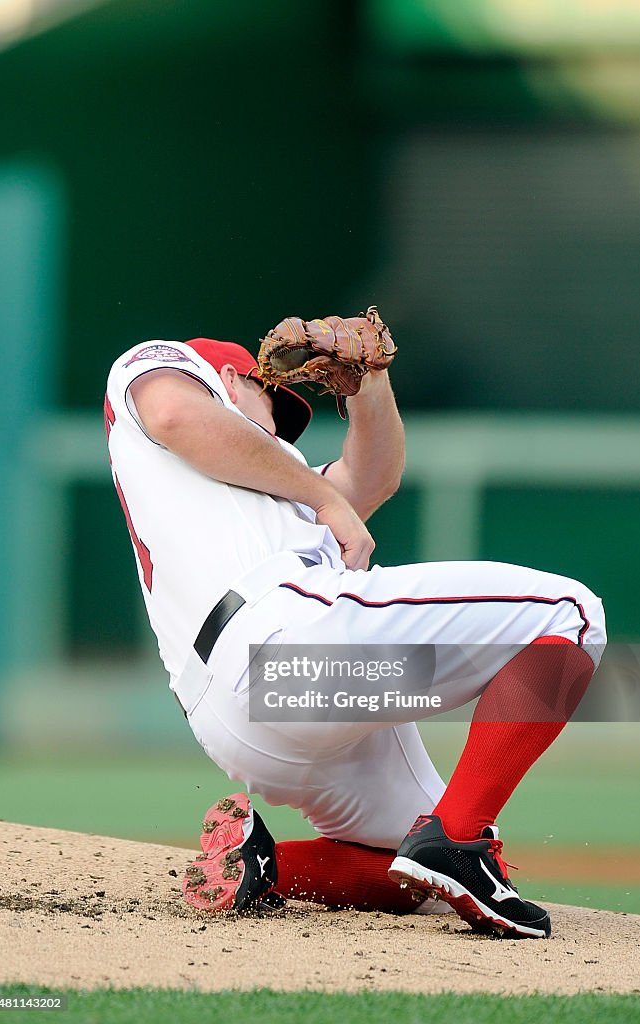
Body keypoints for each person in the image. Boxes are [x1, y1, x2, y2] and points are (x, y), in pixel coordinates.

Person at [104, 328, 606, 938]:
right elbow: (177, 413)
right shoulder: (167, 371)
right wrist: (319, 494)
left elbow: (373, 479)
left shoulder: (271, 488)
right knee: (569, 614)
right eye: (271, 400)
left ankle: (263, 866)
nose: (282, 429)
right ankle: (457, 837)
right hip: (276, 637)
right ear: (230, 381)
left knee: (412, 871)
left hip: (258, 711)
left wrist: (369, 383)